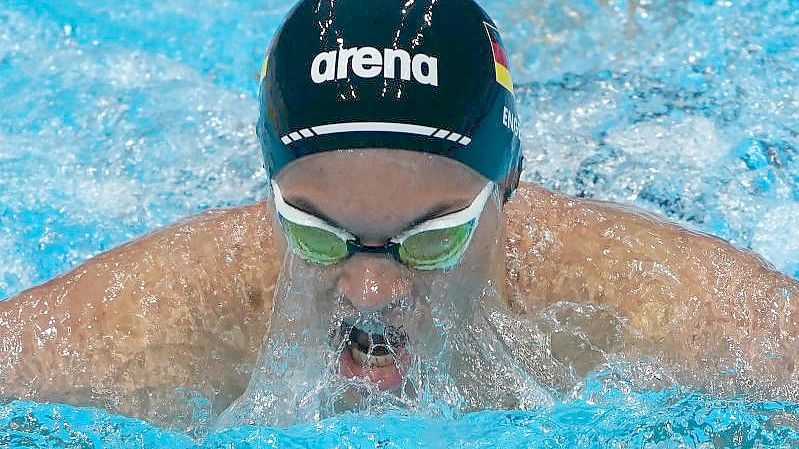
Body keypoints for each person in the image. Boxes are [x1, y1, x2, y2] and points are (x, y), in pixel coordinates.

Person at [1, 0, 798, 433]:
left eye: (432, 238)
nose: (372, 290)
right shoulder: (170, 314)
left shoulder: (637, 296)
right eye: (315, 232)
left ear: (510, 185)